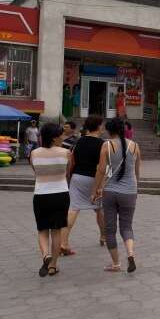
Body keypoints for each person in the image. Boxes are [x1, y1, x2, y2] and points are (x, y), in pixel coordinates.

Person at [93, 118, 141, 273]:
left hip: (111, 192)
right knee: (127, 227)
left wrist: (95, 190)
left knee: (110, 229)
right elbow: (137, 172)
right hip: (130, 191)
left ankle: (116, 263)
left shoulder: (107, 145)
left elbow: (101, 170)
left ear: (109, 130)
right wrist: (135, 189)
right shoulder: (135, 146)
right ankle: (131, 254)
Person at [60, 115, 106, 255]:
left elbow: (72, 162)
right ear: (98, 127)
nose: (103, 127)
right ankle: (103, 236)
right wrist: (101, 186)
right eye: (102, 125)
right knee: (100, 209)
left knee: (73, 209)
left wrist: (69, 178)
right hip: (94, 179)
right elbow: (102, 167)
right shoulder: (103, 144)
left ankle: (63, 242)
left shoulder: (78, 141)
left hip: (77, 177)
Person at [30, 123, 70, 277]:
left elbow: (36, 173)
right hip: (60, 194)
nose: (63, 136)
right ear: (54, 138)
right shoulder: (66, 152)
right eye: (61, 134)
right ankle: (53, 265)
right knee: (57, 230)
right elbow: (67, 173)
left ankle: (46, 255)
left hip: (41, 195)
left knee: (42, 229)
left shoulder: (34, 153)